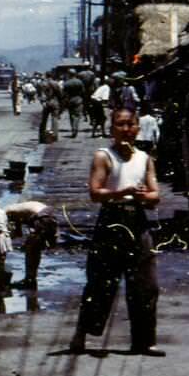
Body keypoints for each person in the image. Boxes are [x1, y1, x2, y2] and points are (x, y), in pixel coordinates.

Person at [67, 108, 164, 356]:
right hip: (111, 221)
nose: (125, 129)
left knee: (146, 284)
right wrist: (121, 193)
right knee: (100, 283)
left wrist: (144, 197)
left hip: (138, 221)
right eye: (119, 125)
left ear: (137, 128)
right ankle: (80, 335)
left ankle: (144, 341)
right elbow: (95, 192)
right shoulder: (103, 156)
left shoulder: (145, 158)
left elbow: (155, 195)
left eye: (129, 124)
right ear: (112, 129)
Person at [5, 200, 59, 289]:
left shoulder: (6, 213)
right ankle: (30, 279)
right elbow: (18, 233)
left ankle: (29, 281)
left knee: (31, 250)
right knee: (34, 249)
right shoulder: (14, 210)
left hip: (42, 216)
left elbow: (10, 233)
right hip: (49, 213)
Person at [63, 73, 85, 138]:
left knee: (71, 115)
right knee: (77, 115)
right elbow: (83, 91)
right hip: (78, 99)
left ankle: (73, 129)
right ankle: (75, 129)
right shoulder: (79, 82)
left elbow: (64, 93)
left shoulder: (67, 83)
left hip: (70, 100)